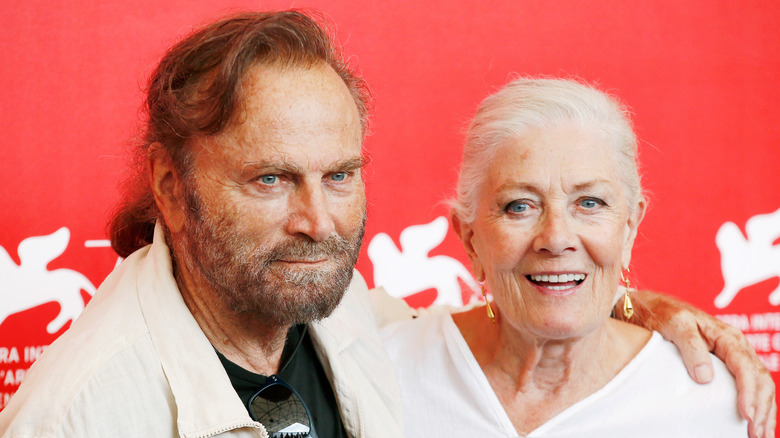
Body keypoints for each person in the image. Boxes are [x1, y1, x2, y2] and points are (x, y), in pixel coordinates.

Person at [0, 11, 773, 438]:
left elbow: (537, 310)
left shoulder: (353, 321)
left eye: (340, 175)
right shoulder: (78, 416)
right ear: (170, 187)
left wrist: (645, 309)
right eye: (270, 180)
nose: (317, 221)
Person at [381, 77, 775, 438]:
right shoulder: (380, 372)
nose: (556, 238)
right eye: (520, 206)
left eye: (589, 202)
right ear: (469, 239)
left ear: (630, 227)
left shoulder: (710, 401)